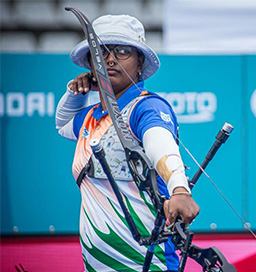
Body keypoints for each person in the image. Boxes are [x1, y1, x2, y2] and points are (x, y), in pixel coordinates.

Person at [55, 14, 200, 272]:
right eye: (100, 52)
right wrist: (75, 92)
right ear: (90, 62)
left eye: (122, 51)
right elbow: (63, 124)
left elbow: (161, 144)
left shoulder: (144, 107)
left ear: (139, 61)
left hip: (147, 262)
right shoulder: (92, 117)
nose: (109, 59)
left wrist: (179, 189)